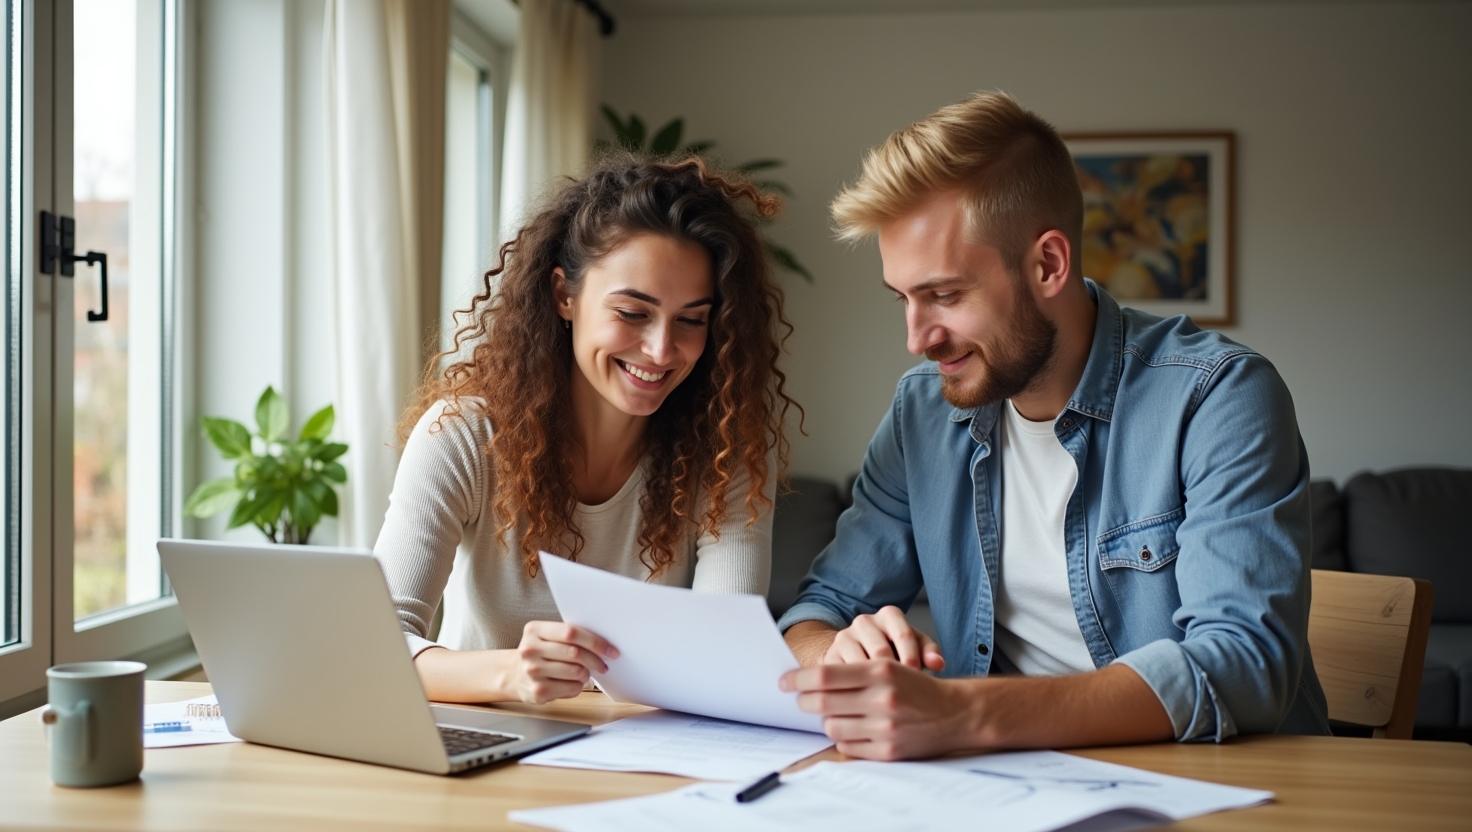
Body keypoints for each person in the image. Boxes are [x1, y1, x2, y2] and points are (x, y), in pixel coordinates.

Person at [777, 92, 1330, 760]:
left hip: (1222, 787)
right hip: (1012, 788)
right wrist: (839, 655)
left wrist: (965, 714)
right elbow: (816, 611)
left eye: (945, 295)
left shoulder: (1218, 396)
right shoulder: (922, 410)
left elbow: (1244, 664)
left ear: (1048, 265)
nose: (916, 336)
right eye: (904, 298)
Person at [376, 154, 798, 705]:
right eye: (632, 312)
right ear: (564, 296)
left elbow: (724, 656)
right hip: (484, 751)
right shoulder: (463, 436)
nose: (662, 349)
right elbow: (378, 644)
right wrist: (510, 674)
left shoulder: (724, 456)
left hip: (640, 757)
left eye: (691, 320)